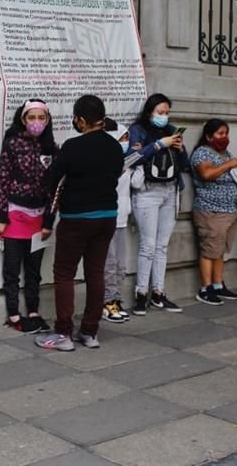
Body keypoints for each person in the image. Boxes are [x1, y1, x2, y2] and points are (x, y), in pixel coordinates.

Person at [35, 95, 123, 351]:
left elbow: (51, 180)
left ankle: (63, 333)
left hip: (76, 219)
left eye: (76, 118)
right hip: (107, 217)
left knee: (64, 273)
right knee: (95, 273)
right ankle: (89, 332)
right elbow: (116, 175)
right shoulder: (115, 147)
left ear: (81, 120)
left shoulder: (73, 147)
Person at [0, 99, 57, 333]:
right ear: (23, 119)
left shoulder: (51, 147)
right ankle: (13, 314)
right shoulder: (12, 143)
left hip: (39, 218)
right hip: (14, 215)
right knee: (12, 270)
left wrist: (49, 220)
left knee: (33, 270)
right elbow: (3, 180)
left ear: (48, 120)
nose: (36, 123)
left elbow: (55, 188)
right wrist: (2, 217)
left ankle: (33, 311)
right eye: (32, 118)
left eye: (41, 118)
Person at [128, 93, 188, 315]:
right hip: (147, 192)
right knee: (148, 245)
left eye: (167, 112)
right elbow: (130, 159)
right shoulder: (138, 130)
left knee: (163, 245)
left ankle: (159, 292)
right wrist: (157, 145)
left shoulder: (172, 131)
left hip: (170, 190)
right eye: (160, 112)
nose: (164, 116)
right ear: (149, 112)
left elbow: (186, 164)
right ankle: (141, 294)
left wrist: (179, 149)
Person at [191, 119, 237, 305]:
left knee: (219, 250)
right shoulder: (202, 154)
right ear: (208, 136)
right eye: (220, 133)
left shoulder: (225, 154)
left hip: (229, 210)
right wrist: (230, 164)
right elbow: (207, 175)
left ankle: (218, 284)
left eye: (226, 133)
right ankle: (205, 288)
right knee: (209, 250)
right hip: (211, 211)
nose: (224, 137)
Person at [102, 118, 131, 323]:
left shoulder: (128, 164)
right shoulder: (107, 164)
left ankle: (117, 298)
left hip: (123, 218)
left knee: (121, 263)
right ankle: (107, 301)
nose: (126, 142)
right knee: (108, 263)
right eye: (122, 138)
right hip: (109, 218)